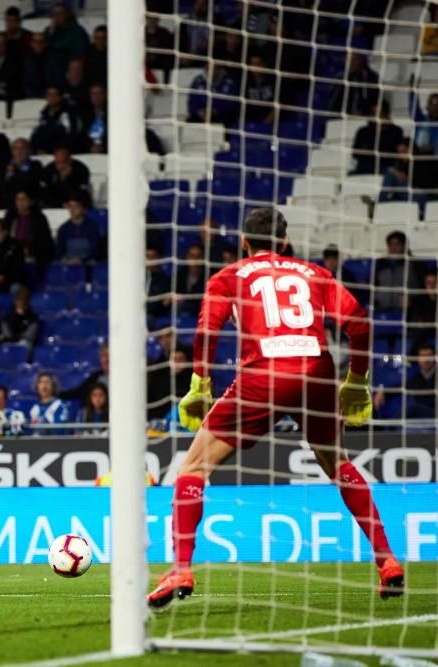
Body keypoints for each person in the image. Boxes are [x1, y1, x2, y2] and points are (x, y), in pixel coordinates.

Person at [148, 207, 404, 609]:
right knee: (337, 463)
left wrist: (201, 385)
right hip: (317, 369)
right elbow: (358, 322)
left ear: (244, 243)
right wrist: (356, 380)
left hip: (262, 373)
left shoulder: (228, 276)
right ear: (285, 242)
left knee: (194, 467)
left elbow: (206, 332)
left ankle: (181, 567)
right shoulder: (313, 273)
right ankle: (387, 559)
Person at [398, 344, 438, 419]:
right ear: (418, 359)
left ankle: (388, 428)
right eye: (422, 356)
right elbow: (401, 387)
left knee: (411, 408)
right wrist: (383, 391)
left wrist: (420, 402)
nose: (426, 359)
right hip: (423, 412)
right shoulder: (418, 376)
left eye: (429, 355)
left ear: (434, 358)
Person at [373, 231, 423, 311]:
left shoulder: (415, 264)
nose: (394, 248)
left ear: (404, 246)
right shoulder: (379, 264)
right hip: (382, 307)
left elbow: (421, 288)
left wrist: (411, 299)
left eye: (397, 244)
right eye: (391, 244)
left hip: (407, 308)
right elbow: (373, 286)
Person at [4, 190, 54, 268]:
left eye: (23, 199)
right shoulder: (10, 217)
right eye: (18, 199)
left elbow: (45, 242)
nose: (20, 202)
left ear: (31, 201)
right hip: (13, 254)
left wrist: (30, 252)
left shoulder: (39, 219)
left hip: (33, 255)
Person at [352, 100, 403, 175]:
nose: (377, 117)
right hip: (364, 168)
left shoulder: (396, 131)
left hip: (386, 169)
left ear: (386, 114)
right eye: (374, 113)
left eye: (380, 114)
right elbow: (355, 153)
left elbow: (395, 155)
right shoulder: (363, 132)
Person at [31, 86, 83, 154]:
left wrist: (52, 151)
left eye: (55, 94)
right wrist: (37, 149)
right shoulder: (43, 114)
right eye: (49, 94)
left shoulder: (69, 114)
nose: (52, 97)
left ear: (60, 97)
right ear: (46, 97)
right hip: (42, 153)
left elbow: (72, 137)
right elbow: (35, 135)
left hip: (62, 153)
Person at [0, 138, 43, 210]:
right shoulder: (5, 167)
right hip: (8, 203)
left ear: (28, 151)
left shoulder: (35, 165)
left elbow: (27, 184)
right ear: (12, 151)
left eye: (22, 148)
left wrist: (15, 172)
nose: (19, 151)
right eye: (15, 149)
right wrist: (9, 174)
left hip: (28, 204)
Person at [56, 193, 101, 264]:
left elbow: (95, 251)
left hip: (87, 265)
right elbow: (59, 252)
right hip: (69, 265)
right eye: (70, 206)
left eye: (76, 206)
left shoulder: (92, 227)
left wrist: (82, 260)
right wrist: (67, 260)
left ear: (84, 209)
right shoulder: (63, 229)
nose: (72, 210)